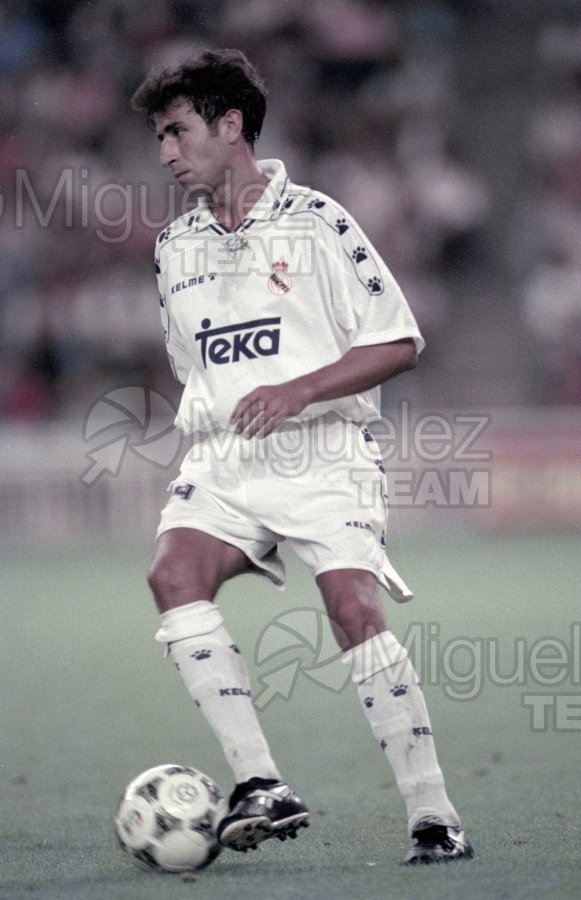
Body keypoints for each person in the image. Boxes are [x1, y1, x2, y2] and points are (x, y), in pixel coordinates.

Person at [132, 48, 473, 865]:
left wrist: (301, 389)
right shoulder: (171, 248)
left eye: (177, 132)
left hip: (322, 452)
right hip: (225, 456)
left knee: (352, 608)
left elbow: (399, 342)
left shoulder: (318, 222)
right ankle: (261, 783)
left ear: (231, 125)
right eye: (159, 138)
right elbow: (191, 365)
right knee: (172, 574)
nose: (166, 153)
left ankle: (433, 815)